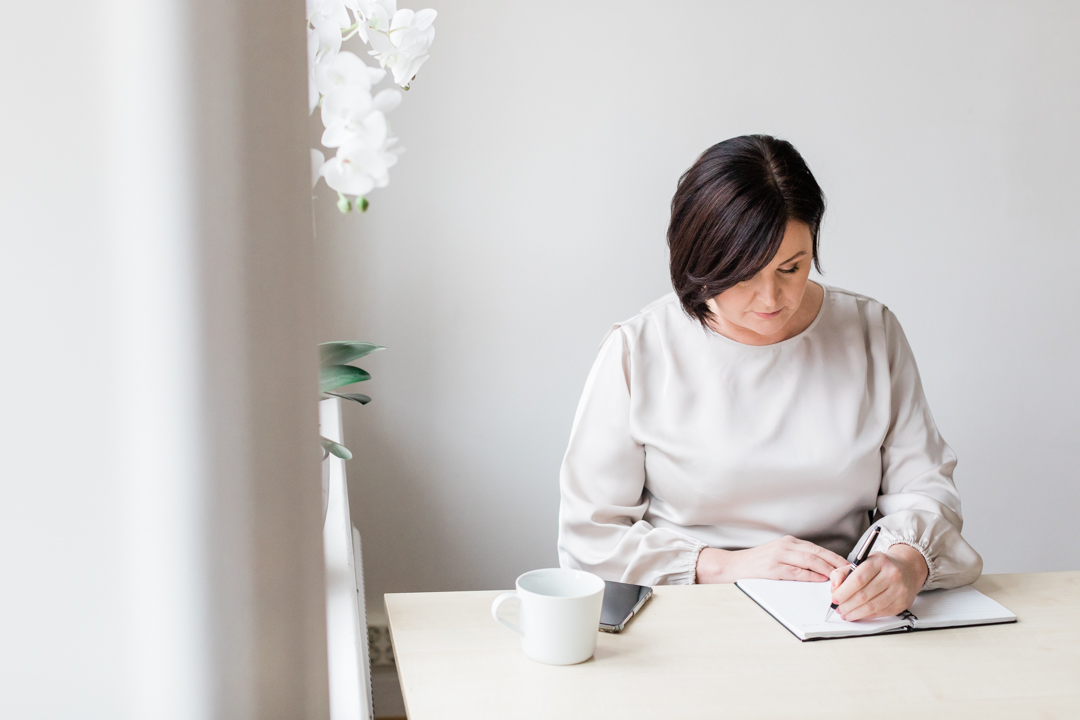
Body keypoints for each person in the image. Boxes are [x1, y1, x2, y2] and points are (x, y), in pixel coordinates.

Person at [557, 135, 982, 622]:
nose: (771, 298)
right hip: (688, 609)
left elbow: (924, 488)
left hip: (840, 612)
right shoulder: (639, 349)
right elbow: (590, 534)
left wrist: (905, 565)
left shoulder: (870, 332)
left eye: (792, 267)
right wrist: (723, 566)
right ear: (697, 261)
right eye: (743, 274)